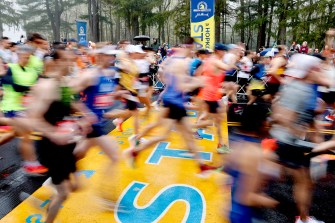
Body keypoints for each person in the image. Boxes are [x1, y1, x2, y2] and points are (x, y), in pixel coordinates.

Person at [26, 47, 91, 223]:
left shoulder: (64, 82)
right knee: (64, 193)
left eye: (71, 59)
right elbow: (33, 118)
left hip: (66, 142)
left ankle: (49, 197)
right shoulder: (46, 86)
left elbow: (71, 104)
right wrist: (53, 133)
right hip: (50, 145)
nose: (70, 63)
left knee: (76, 186)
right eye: (65, 60)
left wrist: (85, 117)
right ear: (54, 62)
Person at [270, 54, 329, 223]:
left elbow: (278, 107)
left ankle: (303, 217)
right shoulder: (300, 90)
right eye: (318, 68)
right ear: (310, 70)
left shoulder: (301, 86)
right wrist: (299, 132)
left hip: (287, 141)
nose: (321, 70)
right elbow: (279, 115)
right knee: (305, 182)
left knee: (304, 181)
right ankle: (303, 219)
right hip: (289, 142)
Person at [1, 44, 47, 174]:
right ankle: (31, 164)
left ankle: (31, 163)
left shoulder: (32, 71)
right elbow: (14, 86)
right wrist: (31, 88)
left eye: (28, 57)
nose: (25, 60)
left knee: (14, 135)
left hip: (27, 108)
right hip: (12, 107)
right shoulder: (10, 68)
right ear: (18, 55)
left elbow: (41, 83)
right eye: (23, 57)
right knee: (26, 134)